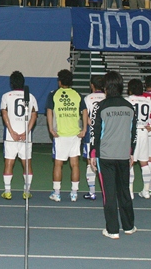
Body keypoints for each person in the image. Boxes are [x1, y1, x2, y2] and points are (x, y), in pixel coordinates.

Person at [89, 70, 137, 239]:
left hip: (106, 155)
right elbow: (133, 133)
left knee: (109, 194)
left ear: (105, 87)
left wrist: (93, 153)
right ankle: (129, 226)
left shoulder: (100, 107)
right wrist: (131, 152)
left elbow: (95, 132)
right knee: (124, 191)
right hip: (123, 154)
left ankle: (113, 230)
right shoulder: (129, 107)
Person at [46, 69, 86, 202]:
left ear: (59, 81)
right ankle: (74, 193)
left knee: (58, 164)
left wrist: (51, 128)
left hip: (60, 135)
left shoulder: (53, 94)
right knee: (75, 164)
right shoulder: (77, 95)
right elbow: (85, 111)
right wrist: (84, 129)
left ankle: (57, 193)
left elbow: (49, 111)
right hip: (75, 134)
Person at [0, 71, 37, 200]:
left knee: (8, 163)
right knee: (27, 164)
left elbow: (4, 114)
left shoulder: (6, 96)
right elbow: (34, 115)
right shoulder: (30, 96)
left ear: (11, 83)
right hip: (26, 138)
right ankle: (26, 191)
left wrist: (11, 132)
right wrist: (26, 132)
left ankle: (7, 191)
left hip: (11, 138)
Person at [127, 78, 151, 200]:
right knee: (144, 163)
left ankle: (130, 191)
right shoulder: (147, 100)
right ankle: (146, 190)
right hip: (144, 132)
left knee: (129, 162)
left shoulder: (128, 100)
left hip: (132, 133)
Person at [80, 75, 106, 200]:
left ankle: (92, 192)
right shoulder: (107, 97)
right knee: (106, 162)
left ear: (92, 85)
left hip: (91, 134)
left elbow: (86, 116)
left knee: (90, 161)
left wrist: (92, 124)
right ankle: (108, 191)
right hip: (106, 133)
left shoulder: (87, 98)